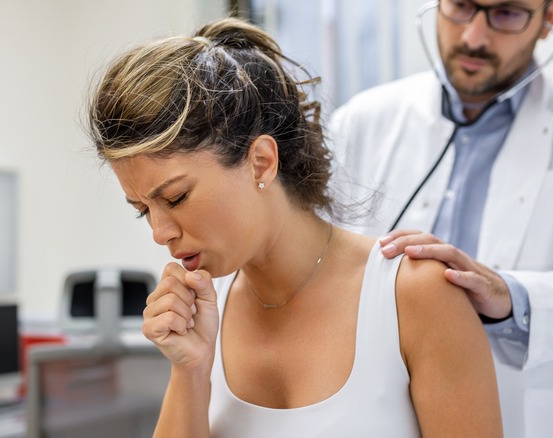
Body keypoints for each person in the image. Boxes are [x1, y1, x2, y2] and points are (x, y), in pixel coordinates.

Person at [87, 17, 502, 438]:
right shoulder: (203, 314)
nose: (160, 232)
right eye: (143, 209)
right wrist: (190, 370)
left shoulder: (416, 295)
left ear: (261, 162)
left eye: (175, 198)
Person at [328, 0, 553, 437]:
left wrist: (511, 297)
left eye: (506, 13)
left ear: (550, 17)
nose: (474, 37)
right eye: (462, 6)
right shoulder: (361, 121)